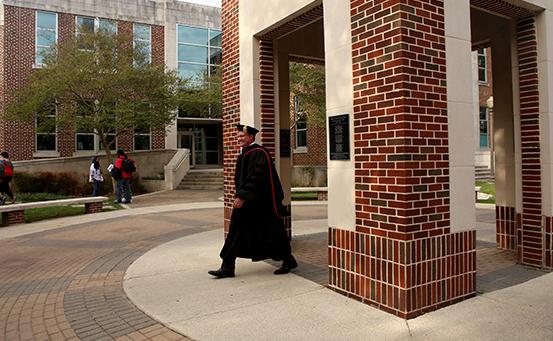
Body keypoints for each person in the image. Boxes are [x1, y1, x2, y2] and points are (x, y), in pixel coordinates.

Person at [208, 124, 297, 278]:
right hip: (250, 202)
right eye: (237, 136)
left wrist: (242, 195)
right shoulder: (246, 153)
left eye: (241, 136)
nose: (238, 139)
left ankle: (288, 260)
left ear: (251, 137)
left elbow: (258, 177)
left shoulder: (259, 152)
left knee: (272, 232)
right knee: (235, 231)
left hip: (261, 204)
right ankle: (228, 266)